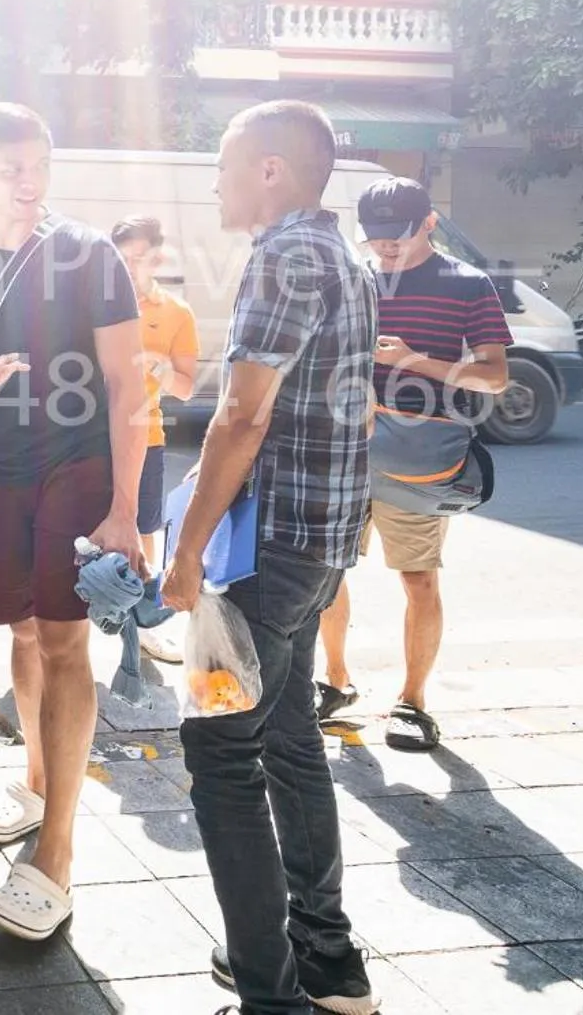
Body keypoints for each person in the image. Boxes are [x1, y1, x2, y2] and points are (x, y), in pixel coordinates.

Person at [0, 102, 145, 942]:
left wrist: (126, 507)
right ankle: (40, 785)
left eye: (41, 166)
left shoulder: (88, 252)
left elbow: (128, 382)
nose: (30, 183)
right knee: (21, 628)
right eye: (13, 169)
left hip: (77, 465)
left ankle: (56, 856)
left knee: (64, 642)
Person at [162, 100, 378, 1015]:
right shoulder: (348, 258)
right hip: (318, 548)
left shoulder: (284, 255)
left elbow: (243, 413)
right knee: (289, 742)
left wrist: (187, 546)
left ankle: (272, 996)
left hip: (268, 553)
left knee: (219, 755)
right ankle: (325, 957)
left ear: (270, 170)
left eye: (223, 163)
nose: (214, 182)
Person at [319, 178, 510, 753]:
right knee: (325, 573)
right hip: (346, 450)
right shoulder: (356, 278)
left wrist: (413, 361)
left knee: (419, 579)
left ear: (429, 222)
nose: (385, 247)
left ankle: (413, 702)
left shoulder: (468, 284)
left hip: (419, 458)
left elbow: (494, 377)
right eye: (375, 236)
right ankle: (334, 681)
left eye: (397, 235)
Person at [111, 214, 200, 666]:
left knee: (144, 532)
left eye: (138, 259)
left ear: (157, 259)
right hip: (88, 439)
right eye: (121, 259)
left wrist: (159, 367)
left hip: (145, 436)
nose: (129, 268)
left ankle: (144, 626)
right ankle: (69, 632)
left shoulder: (176, 313)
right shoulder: (92, 304)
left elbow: (186, 388)